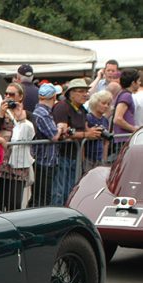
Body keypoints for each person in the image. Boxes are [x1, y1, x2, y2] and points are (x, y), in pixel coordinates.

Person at [51, 78, 103, 206]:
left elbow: (84, 129)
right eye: (81, 91)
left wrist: (93, 131)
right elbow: (63, 133)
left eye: (86, 91)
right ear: (71, 93)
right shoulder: (62, 107)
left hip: (76, 156)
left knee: (71, 190)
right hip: (61, 156)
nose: (85, 94)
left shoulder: (82, 109)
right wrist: (87, 134)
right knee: (59, 191)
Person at [0, 82, 35, 210]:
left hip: (18, 162)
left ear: (20, 97)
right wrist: (0, 115)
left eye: (12, 94)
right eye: (6, 93)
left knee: (14, 202)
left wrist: (21, 119)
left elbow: (34, 134)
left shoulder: (27, 114)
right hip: (0, 161)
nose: (8, 96)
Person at [31, 83, 66, 207]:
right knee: (42, 196)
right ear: (53, 97)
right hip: (44, 160)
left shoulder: (43, 112)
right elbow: (54, 136)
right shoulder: (42, 113)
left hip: (44, 159)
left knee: (40, 196)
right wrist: (60, 128)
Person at [84, 90, 113, 172]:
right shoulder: (88, 117)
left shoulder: (105, 120)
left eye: (108, 104)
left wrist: (105, 159)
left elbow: (106, 142)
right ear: (95, 103)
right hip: (88, 157)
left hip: (100, 157)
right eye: (103, 103)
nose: (106, 106)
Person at [112, 69, 140, 136]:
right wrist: (134, 129)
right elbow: (117, 119)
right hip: (122, 139)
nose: (140, 83)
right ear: (133, 83)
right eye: (139, 81)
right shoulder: (126, 96)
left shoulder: (123, 94)